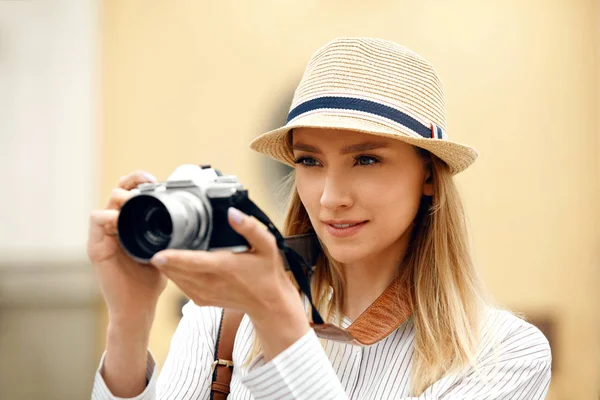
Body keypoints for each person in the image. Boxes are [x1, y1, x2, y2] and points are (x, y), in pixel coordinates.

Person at [89, 37, 551, 399]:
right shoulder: (223, 319)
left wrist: (276, 316)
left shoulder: (503, 354)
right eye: (310, 161)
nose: (330, 198)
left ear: (428, 175)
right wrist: (130, 318)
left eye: (366, 160)